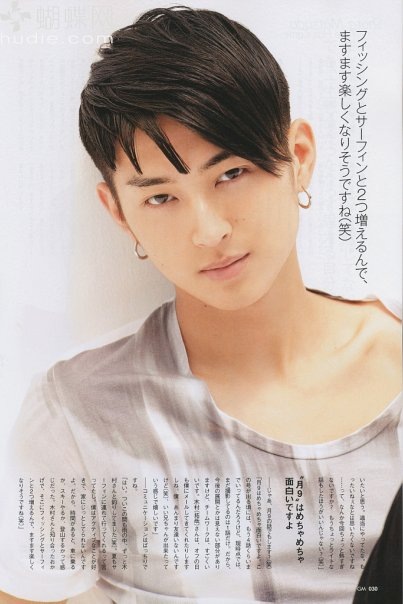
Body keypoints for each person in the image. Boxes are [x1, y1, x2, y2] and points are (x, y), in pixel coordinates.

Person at [0, 6, 401, 604]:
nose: (209, 231)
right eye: (161, 198)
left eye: (232, 172)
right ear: (119, 213)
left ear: (299, 157)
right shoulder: (79, 414)